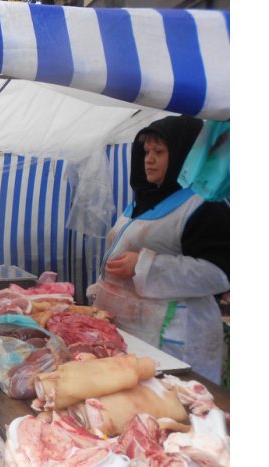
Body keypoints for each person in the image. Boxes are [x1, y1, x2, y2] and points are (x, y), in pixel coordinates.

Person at [89, 115, 230, 384]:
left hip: (177, 340)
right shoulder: (142, 202)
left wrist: (144, 266)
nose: (149, 159)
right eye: (146, 151)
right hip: (135, 331)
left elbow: (218, 274)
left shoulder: (204, 205)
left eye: (160, 152)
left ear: (184, 155)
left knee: (178, 410)